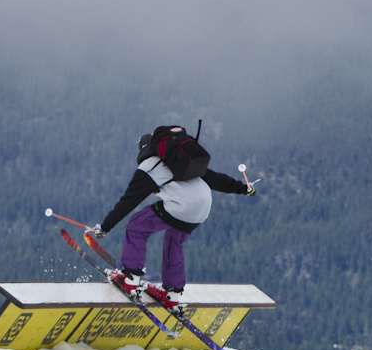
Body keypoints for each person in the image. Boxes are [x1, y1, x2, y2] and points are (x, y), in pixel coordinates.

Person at [94, 124, 254, 300]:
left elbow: (128, 201)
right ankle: (173, 293)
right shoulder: (181, 160)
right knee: (174, 240)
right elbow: (215, 179)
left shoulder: (149, 167)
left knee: (136, 225)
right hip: (203, 207)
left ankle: (130, 278)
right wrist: (243, 188)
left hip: (182, 206)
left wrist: (105, 227)